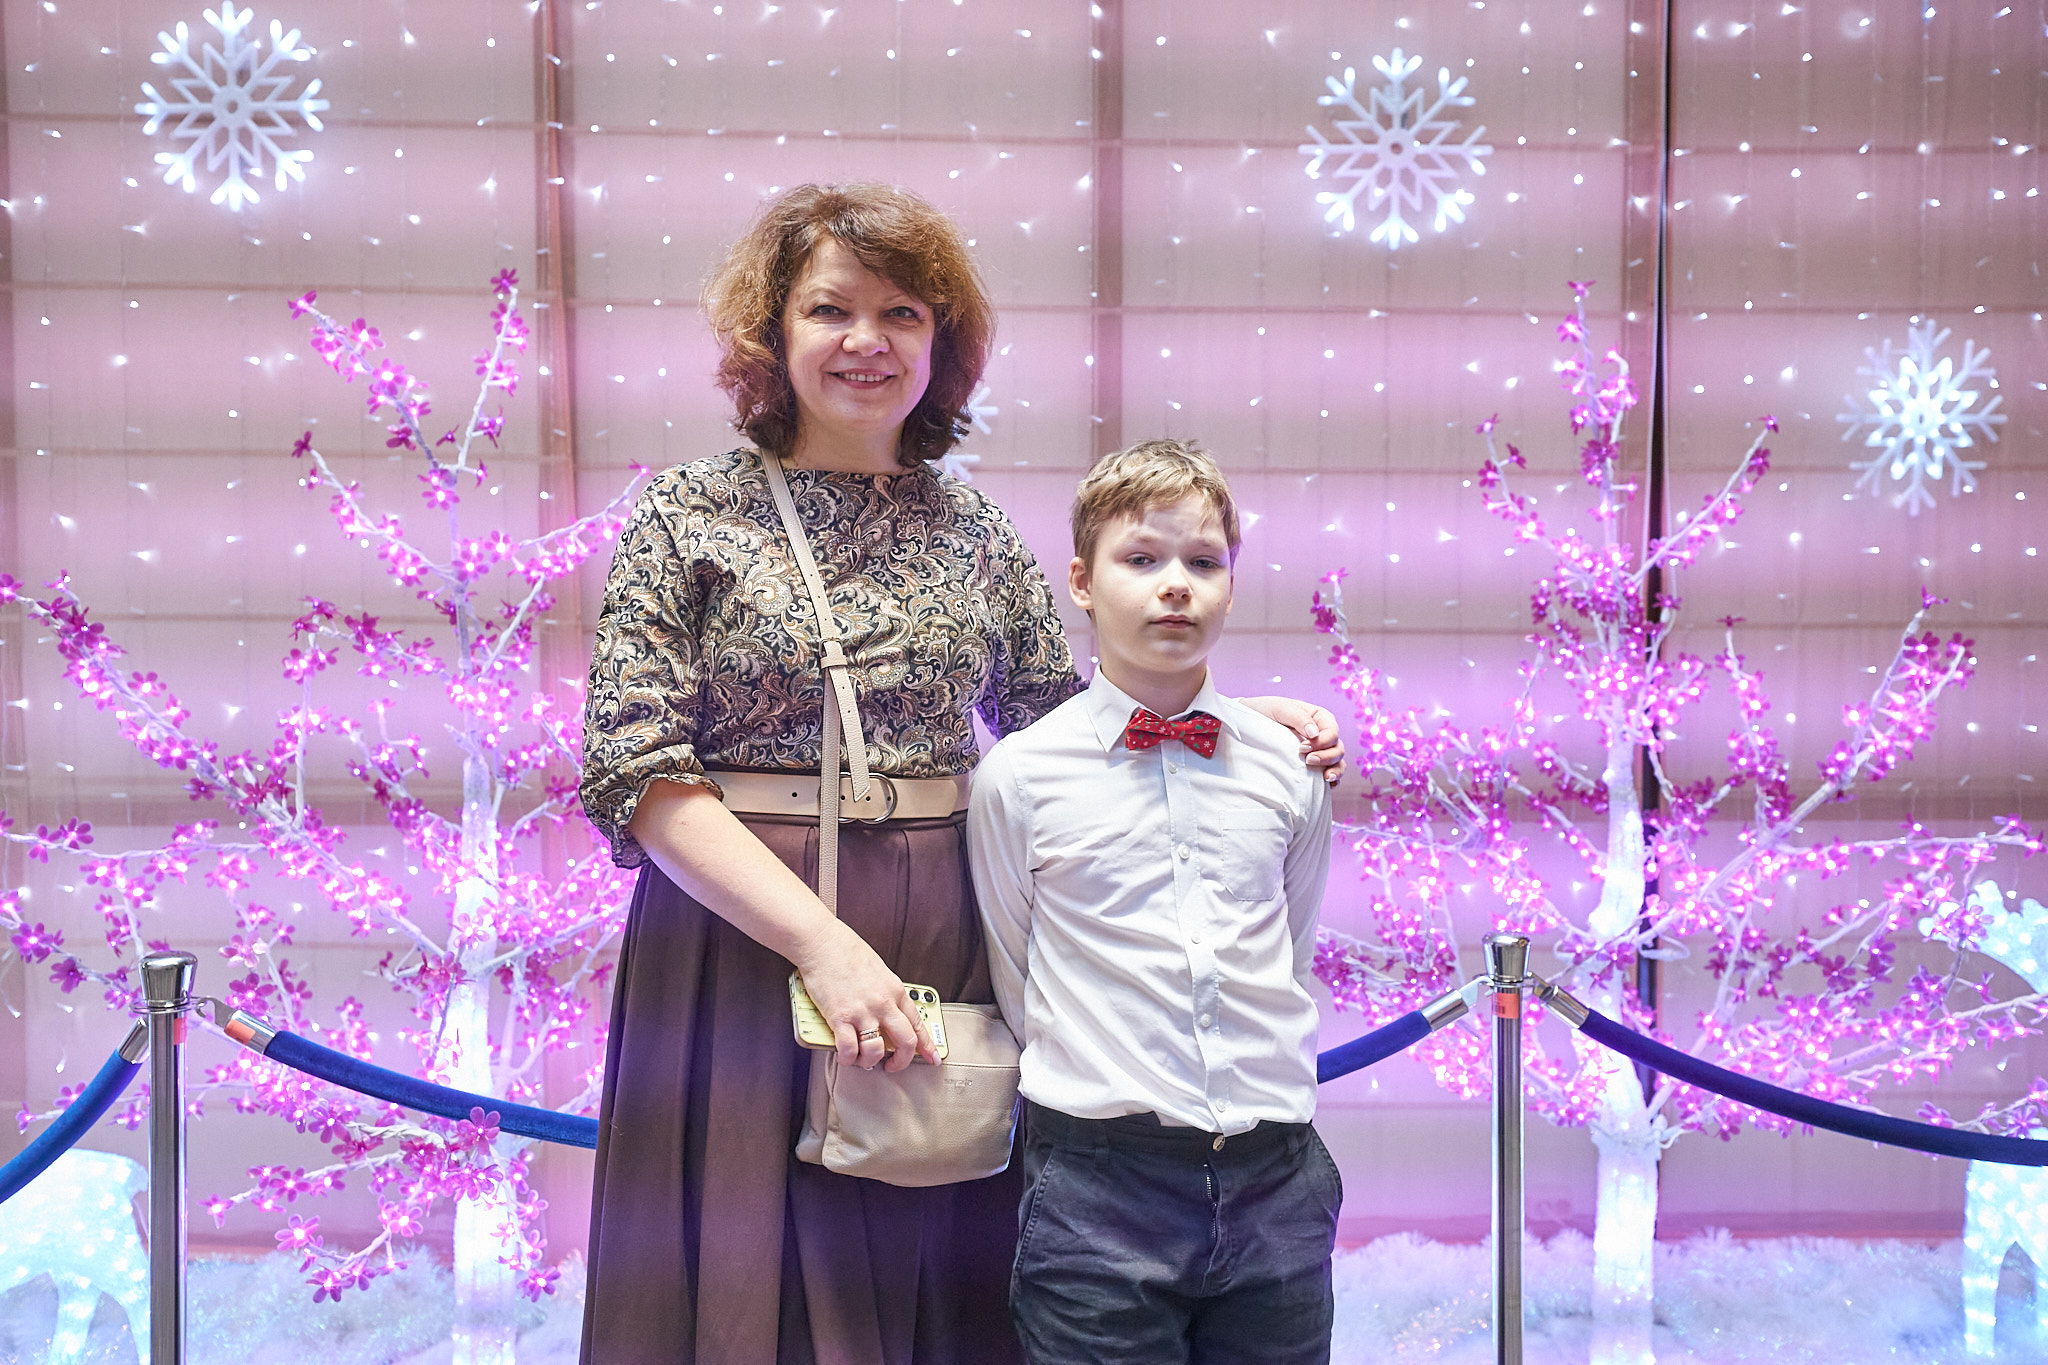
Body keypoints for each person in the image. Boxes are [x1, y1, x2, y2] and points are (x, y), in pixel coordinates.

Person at [577, 183, 1342, 1365]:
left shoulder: (974, 528)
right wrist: (823, 948)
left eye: (902, 314)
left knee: (941, 1271)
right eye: (829, 309)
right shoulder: (685, 513)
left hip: (945, 939)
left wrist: (1233, 724)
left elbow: (1064, 721)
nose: (867, 341)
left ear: (942, 343)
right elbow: (636, 772)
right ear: (771, 333)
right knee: (742, 1272)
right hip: (739, 947)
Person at [967, 439, 1339, 1365]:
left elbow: (1289, 949)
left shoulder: (1289, 765)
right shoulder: (1020, 774)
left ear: (1230, 584)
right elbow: (1018, 972)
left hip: (1277, 1180)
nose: (1175, 584)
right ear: (1082, 583)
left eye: (1203, 562)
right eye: (1141, 558)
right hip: (1096, 1189)